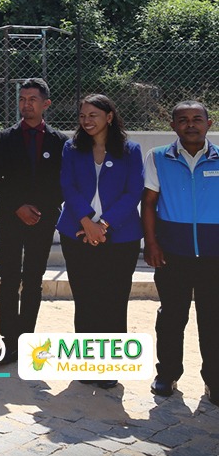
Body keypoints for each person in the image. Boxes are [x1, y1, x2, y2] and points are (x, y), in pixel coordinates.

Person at [56, 94, 143, 389]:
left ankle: (109, 367)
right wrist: (86, 222)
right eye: (82, 116)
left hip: (120, 237)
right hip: (77, 233)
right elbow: (67, 185)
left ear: (109, 116)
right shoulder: (71, 148)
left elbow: (133, 192)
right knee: (86, 299)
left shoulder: (130, 150)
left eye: (93, 115)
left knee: (114, 300)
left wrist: (103, 225)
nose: (86, 121)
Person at [142, 100, 218, 406]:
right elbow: (149, 203)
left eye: (197, 119)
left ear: (209, 123)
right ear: (172, 125)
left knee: (213, 319)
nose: (190, 124)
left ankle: (214, 379)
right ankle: (167, 374)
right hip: (172, 254)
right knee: (172, 317)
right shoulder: (158, 157)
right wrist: (151, 243)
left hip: (214, 256)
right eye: (183, 119)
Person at [0, 78, 68, 363]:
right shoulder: (5, 137)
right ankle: (9, 341)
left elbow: (65, 181)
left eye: (32, 99)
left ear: (46, 104)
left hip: (43, 219)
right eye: (22, 99)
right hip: (10, 217)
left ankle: (26, 340)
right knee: (8, 278)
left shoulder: (60, 141)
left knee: (33, 279)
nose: (26, 104)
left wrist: (40, 209)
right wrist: (18, 207)